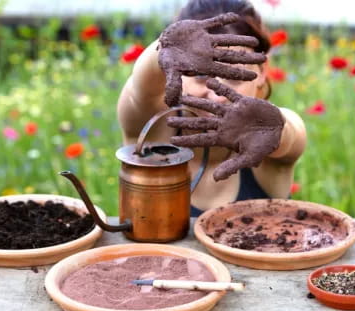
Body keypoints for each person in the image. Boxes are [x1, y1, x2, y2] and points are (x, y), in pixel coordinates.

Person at [117, 0, 307, 217]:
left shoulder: (270, 144)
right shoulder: (154, 128)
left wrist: (275, 129)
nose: (217, 95)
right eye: (199, 75)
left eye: (235, 76)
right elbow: (140, 89)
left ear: (262, 72)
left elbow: (293, 135)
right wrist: (167, 45)